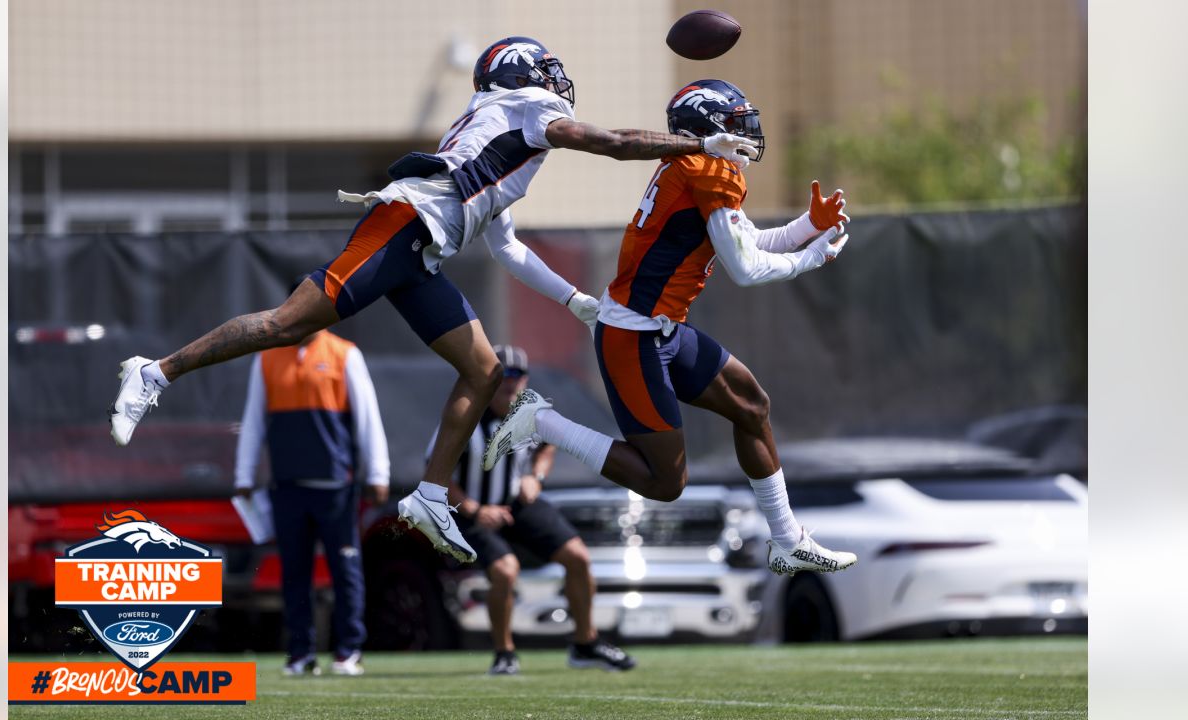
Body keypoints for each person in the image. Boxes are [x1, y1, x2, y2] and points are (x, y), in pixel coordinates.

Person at [109, 37, 759, 564]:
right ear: (523, 72)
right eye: (549, 70)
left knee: (484, 370)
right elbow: (613, 143)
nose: (558, 81)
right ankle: (155, 371)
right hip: (402, 227)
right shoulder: (526, 102)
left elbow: (507, 246)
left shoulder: (495, 130)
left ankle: (428, 495)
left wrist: (573, 301)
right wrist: (699, 143)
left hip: (422, 250)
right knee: (288, 325)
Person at [484, 79, 858, 577]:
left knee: (750, 405)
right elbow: (745, 268)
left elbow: (748, 240)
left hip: (662, 329)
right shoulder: (705, 169)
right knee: (665, 482)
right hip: (633, 334)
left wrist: (807, 226)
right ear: (707, 127)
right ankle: (539, 422)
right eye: (734, 121)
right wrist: (808, 259)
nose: (745, 131)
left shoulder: (698, 167)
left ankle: (788, 540)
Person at [426, 345, 634, 675]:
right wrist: (477, 509)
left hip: (517, 506)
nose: (511, 383)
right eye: (503, 375)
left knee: (578, 557)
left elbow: (549, 445)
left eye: (518, 375)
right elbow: (436, 474)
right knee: (506, 570)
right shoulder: (464, 414)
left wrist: (535, 477)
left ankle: (585, 643)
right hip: (470, 510)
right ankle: (504, 653)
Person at [232, 293, 390, 677]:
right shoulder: (267, 356)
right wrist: (244, 475)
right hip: (287, 485)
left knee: (345, 569)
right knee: (294, 572)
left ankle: (349, 651)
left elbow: (368, 416)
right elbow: (253, 420)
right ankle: (300, 654)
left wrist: (378, 473)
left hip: (336, 486)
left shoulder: (344, 353)